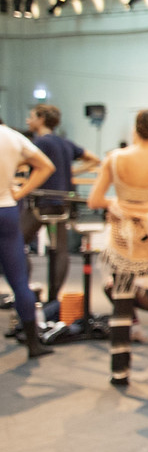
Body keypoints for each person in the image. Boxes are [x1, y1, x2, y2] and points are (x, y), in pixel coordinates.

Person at [87, 110, 148, 387]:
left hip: (123, 238)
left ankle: (120, 371)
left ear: (135, 129)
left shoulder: (115, 159)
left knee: (122, 301)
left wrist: (119, 206)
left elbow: (95, 199)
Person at [22, 104, 98, 299]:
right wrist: (71, 172)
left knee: (14, 243)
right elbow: (94, 159)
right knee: (60, 251)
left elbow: (25, 164)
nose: (28, 120)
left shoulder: (39, 143)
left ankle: (24, 291)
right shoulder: (65, 143)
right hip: (62, 203)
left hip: (41, 201)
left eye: (31, 116)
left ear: (41, 119)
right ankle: (53, 300)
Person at [1, 116, 57, 358]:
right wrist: (20, 193)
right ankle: (34, 344)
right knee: (19, 280)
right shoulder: (11, 136)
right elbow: (46, 166)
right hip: (6, 209)